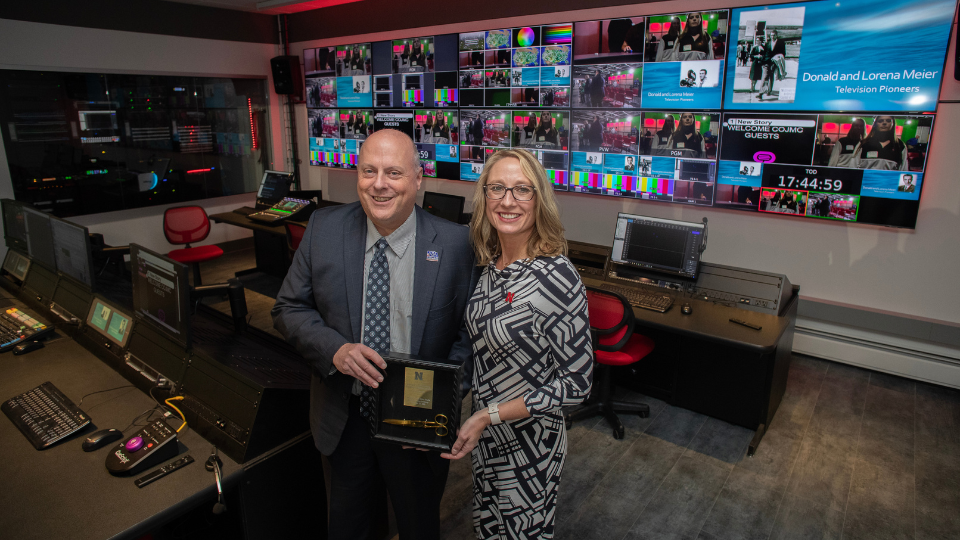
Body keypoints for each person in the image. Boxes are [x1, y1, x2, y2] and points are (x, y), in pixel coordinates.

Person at [271, 129, 476, 540]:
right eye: (369, 171)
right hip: (343, 417)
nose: (379, 184)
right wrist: (335, 350)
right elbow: (287, 308)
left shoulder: (456, 244)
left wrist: (439, 403)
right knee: (348, 527)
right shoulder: (324, 228)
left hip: (416, 425)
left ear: (418, 179)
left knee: (418, 527)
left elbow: (468, 337)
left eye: (394, 173)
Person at [441, 148, 593, 540]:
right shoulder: (492, 266)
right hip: (488, 433)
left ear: (539, 199)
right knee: (489, 529)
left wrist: (489, 415)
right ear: (485, 197)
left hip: (530, 443)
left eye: (521, 190)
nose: (508, 201)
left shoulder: (557, 276)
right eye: (498, 188)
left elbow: (576, 384)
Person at [760, 30, 787, 99]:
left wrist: (779, 58)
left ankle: (769, 90)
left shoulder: (780, 43)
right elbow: (765, 53)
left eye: (774, 35)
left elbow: (783, 53)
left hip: (775, 62)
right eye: (771, 35)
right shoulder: (767, 43)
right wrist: (762, 60)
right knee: (765, 77)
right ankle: (761, 93)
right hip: (767, 62)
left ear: (776, 35)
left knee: (771, 77)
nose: (772, 36)